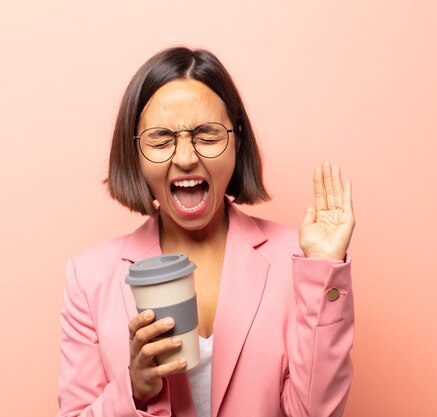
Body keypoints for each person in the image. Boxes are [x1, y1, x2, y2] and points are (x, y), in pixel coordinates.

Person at [56, 47, 355, 417]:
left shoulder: (300, 262)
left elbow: (315, 412)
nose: (185, 158)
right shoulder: (89, 277)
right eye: (161, 139)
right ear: (134, 152)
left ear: (238, 140)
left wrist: (323, 267)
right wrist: (133, 388)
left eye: (207, 135)